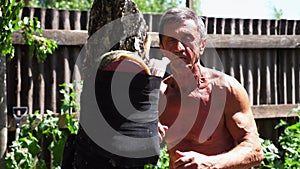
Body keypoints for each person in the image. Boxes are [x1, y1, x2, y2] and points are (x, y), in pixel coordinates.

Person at [157, 7, 264, 169]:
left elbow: (255, 151)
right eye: (171, 40)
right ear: (162, 49)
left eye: (187, 38)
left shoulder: (225, 90)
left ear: (201, 45)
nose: (178, 48)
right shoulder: (158, 94)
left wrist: (210, 163)